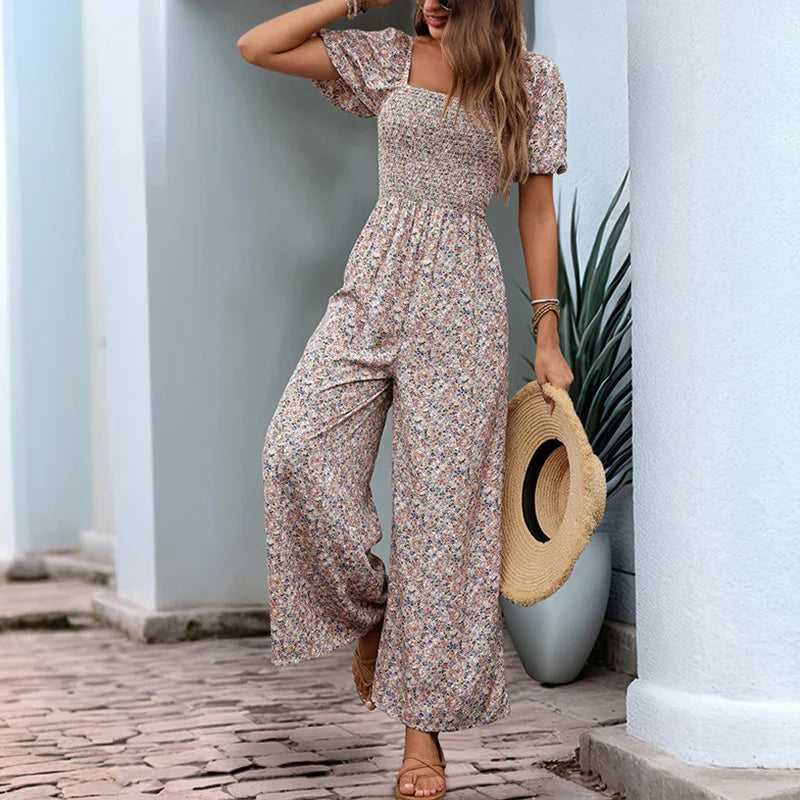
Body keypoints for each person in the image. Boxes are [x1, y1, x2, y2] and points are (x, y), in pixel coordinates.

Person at [237, 0, 574, 796]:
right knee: (294, 451)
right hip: (378, 276)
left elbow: (536, 207)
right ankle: (375, 614)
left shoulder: (534, 82)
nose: (429, 0)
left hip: (463, 301)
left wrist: (548, 333)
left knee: (440, 521)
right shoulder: (387, 57)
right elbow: (258, 45)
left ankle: (421, 741)